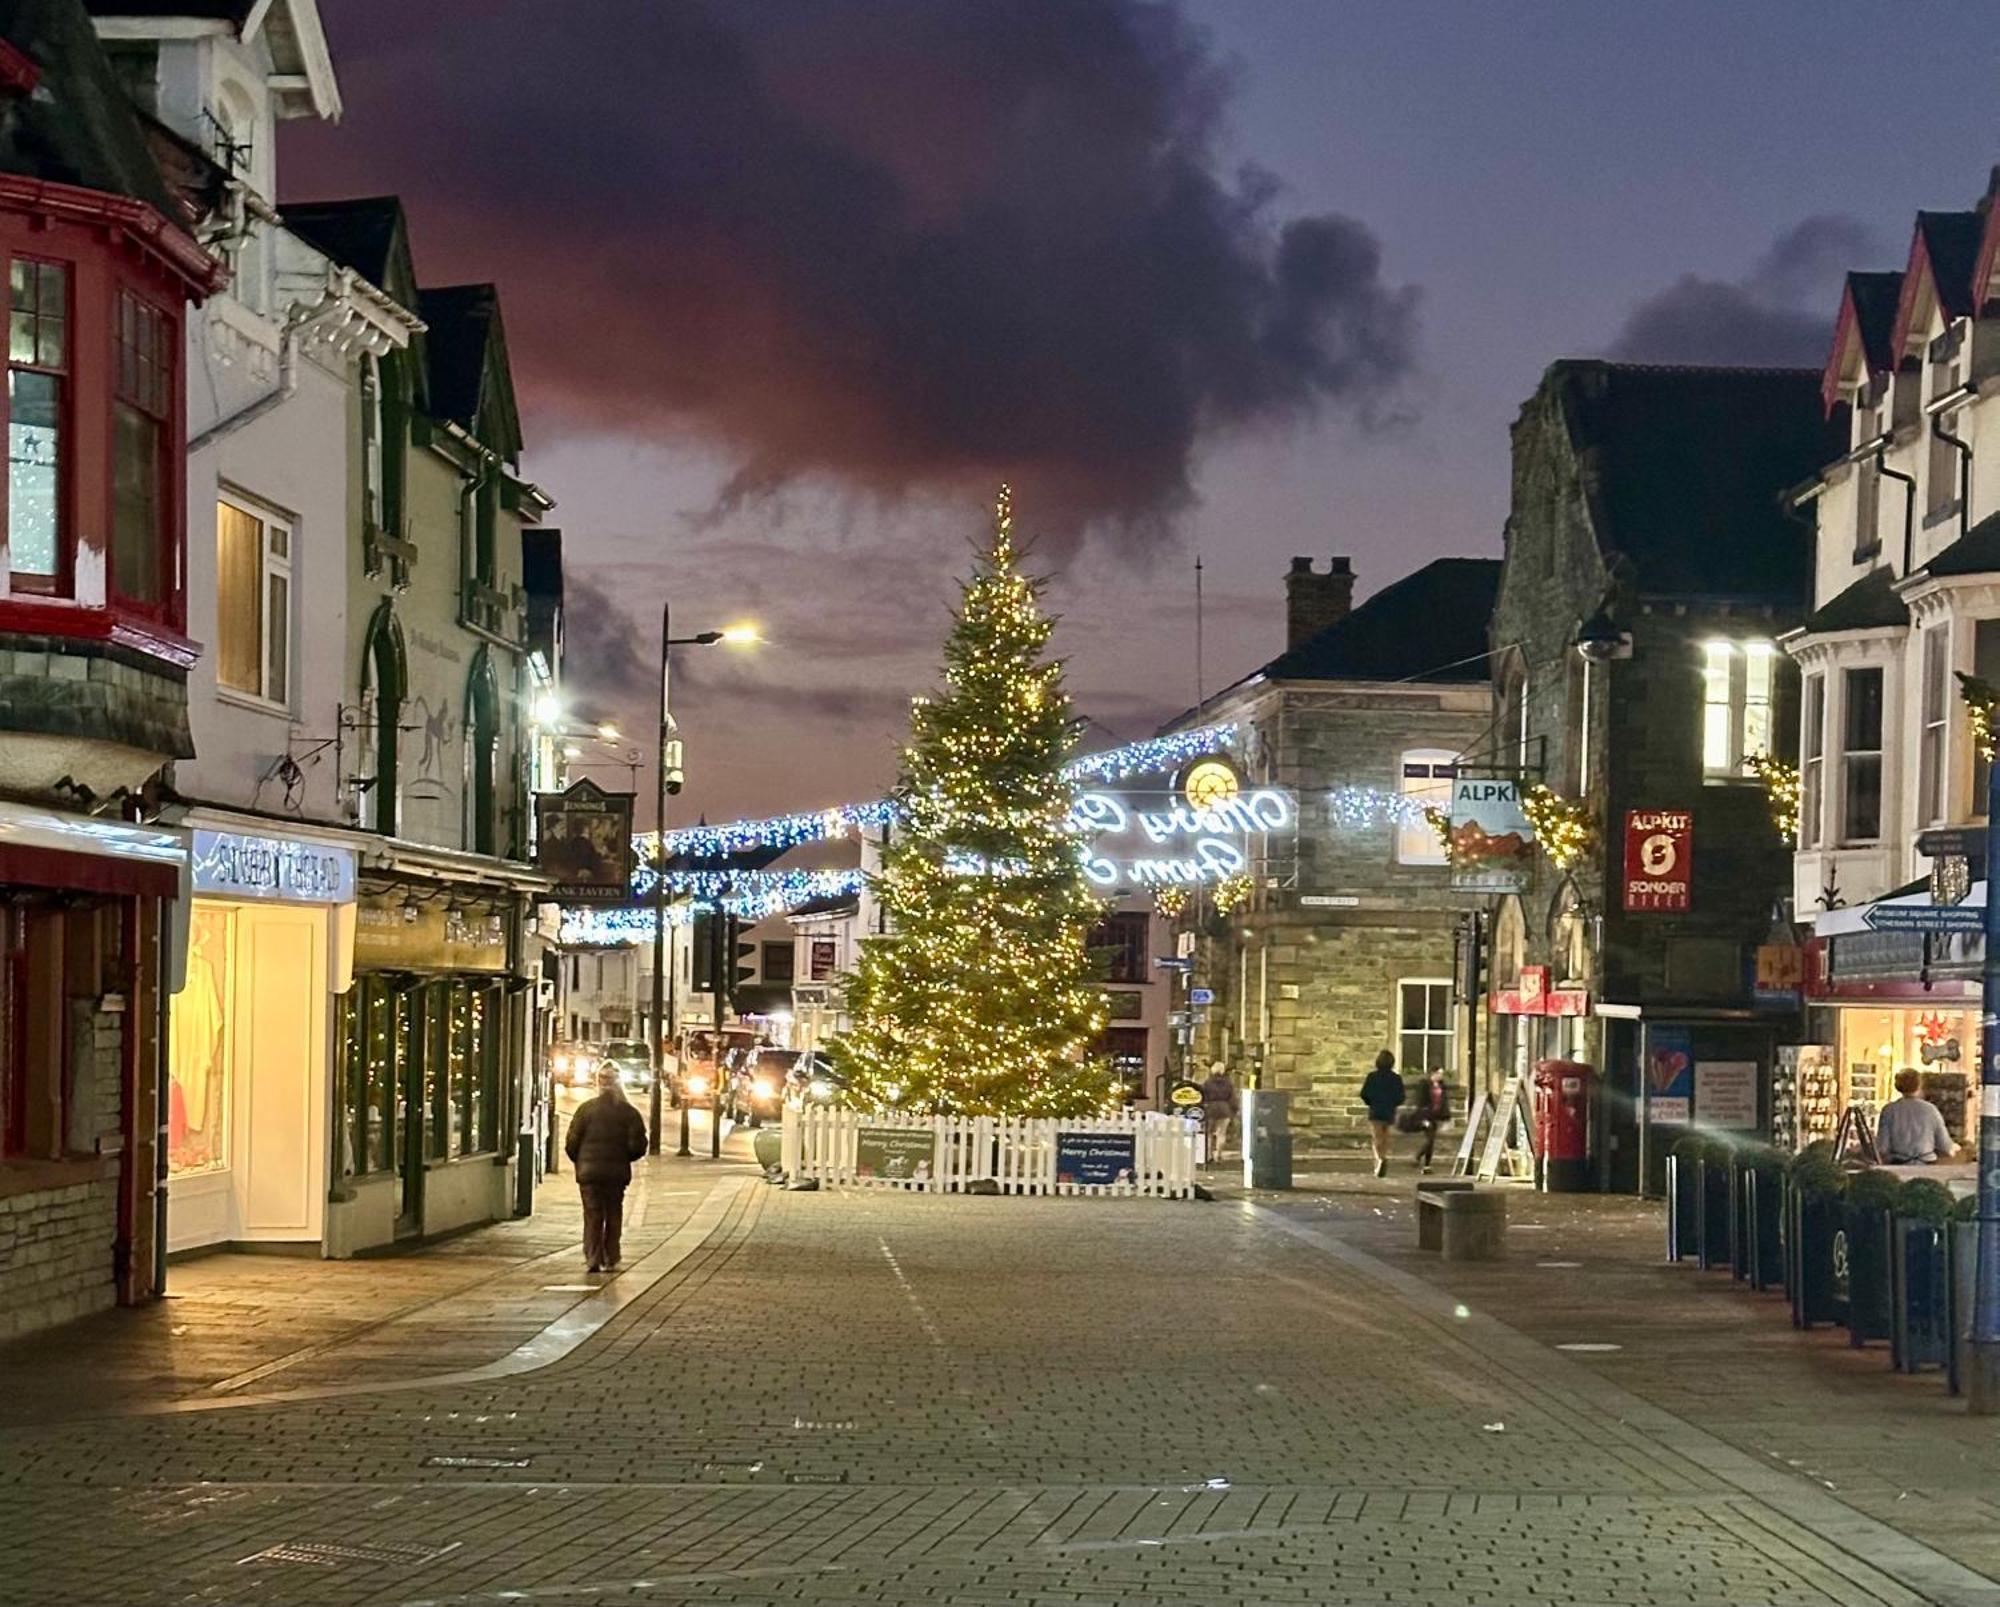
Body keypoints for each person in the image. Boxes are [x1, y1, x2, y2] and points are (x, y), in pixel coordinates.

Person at [565, 1065, 649, 1271]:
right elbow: (637, 1147)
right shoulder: (629, 1113)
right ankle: (611, 1256)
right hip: (616, 1173)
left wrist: (581, 1162)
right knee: (613, 1213)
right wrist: (623, 1158)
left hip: (589, 1174)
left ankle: (593, 1257)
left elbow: (571, 1143)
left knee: (593, 1214)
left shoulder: (585, 1110)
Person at [1875, 1068, 1959, 1165]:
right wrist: (1956, 1148)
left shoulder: (1889, 1110)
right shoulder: (1931, 1110)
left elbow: (1883, 1147)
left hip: (1899, 1164)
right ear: (1919, 1085)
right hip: (1927, 1164)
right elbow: (1945, 1145)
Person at [1361, 1049, 1405, 1178]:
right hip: (1389, 1110)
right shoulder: (1396, 1078)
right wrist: (1393, 1103)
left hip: (1375, 1109)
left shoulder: (1372, 1077)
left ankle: (1379, 1160)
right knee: (1385, 1137)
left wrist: (1371, 1101)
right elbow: (1401, 1096)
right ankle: (1383, 1156)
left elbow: (1364, 1093)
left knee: (1376, 1137)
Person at [1408, 1067, 1451, 1174]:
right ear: (1433, 1074)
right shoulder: (1425, 1085)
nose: (1441, 1076)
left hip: (1435, 1116)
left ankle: (1427, 1165)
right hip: (1425, 1115)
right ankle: (1417, 1156)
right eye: (1440, 1073)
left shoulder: (1441, 1086)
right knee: (1430, 1139)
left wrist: (1447, 1118)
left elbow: (1444, 1102)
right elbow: (1420, 1102)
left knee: (1431, 1141)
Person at [1200, 1062, 1238, 1164]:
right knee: (1221, 1134)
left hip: (1210, 1109)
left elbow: (1202, 1096)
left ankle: (1208, 1155)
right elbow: (1233, 1098)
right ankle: (1219, 1155)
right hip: (1224, 1109)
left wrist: (1202, 1107)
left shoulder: (1207, 1083)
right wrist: (1233, 1110)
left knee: (1208, 1133)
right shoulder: (1228, 1083)